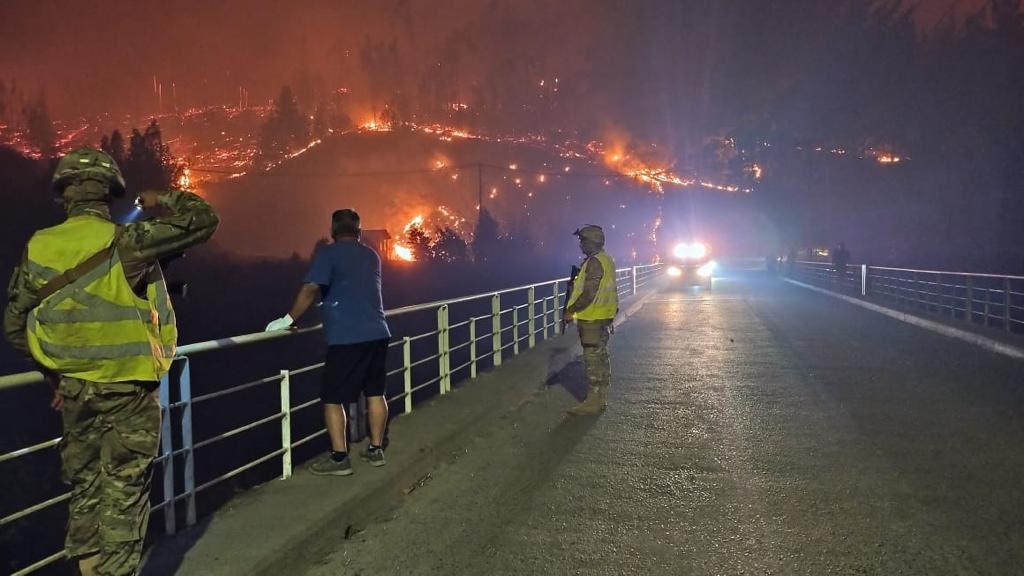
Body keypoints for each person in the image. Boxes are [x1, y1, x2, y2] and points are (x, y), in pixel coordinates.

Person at [3, 147, 219, 576]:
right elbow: (204, 219)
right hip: (129, 393)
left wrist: (54, 378)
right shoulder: (127, 241)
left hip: (75, 392)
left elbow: (14, 323)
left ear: (64, 194)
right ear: (109, 194)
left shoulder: (40, 246)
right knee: (124, 494)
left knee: (85, 491)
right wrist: (163, 198)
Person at [265, 208, 391, 476]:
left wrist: (287, 320)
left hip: (347, 337)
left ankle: (339, 458)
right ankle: (376, 449)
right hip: (378, 333)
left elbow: (311, 287)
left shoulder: (329, 254)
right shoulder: (371, 255)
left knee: (332, 398)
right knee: (375, 392)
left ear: (333, 231)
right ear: (359, 231)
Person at [563, 225, 618, 416]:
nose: (580, 245)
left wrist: (571, 310)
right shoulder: (606, 259)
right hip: (603, 316)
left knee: (592, 358)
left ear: (591, 242)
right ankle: (600, 397)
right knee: (601, 355)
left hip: (592, 318)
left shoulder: (594, 262)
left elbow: (589, 293)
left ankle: (593, 402)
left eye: (582, 241)